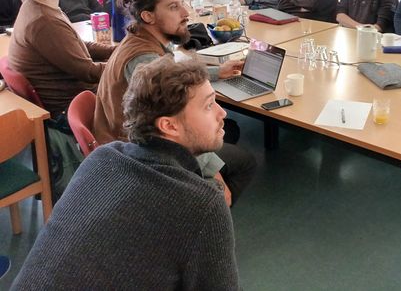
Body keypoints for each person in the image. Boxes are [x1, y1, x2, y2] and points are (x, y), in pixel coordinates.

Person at [11, 57, 240, 290]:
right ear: (169, 126)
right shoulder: (202, 204)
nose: (222, 114)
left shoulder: (101, 158)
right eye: (209, 105)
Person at [93, 0, 256, 205]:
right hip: (140, 152)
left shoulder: (142, 40)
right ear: (148, 16)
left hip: (132, 137)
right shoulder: (144, 59)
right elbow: (173, 128)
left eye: (182, 4)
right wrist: (212, 174)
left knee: (228, 129)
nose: (185, 12)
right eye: (173, 7)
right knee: (244, 160)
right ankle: (208, 214)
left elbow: (172, 79)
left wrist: (218, 71)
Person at [9, 0, 114, 117]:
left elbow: (77, 44)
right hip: (76, 109)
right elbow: (88, 72)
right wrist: (131, 63)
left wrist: (117, 51)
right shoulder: (44, 22)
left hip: (79, 98)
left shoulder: (39, 6)